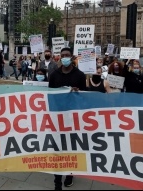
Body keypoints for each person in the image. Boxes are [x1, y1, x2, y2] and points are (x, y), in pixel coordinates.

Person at [48, 47, 87, 190]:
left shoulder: (80, 75)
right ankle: (57, 182)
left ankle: (70, 173)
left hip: (73, 118)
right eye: (62, 55)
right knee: (58, 150)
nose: (64, 57)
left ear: (71, 57)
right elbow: (49, 95)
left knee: (71, 148)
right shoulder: (53, 75)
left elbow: (85, 97)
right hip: (58, 118)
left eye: (67, 55)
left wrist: (78, 92)